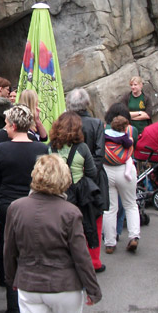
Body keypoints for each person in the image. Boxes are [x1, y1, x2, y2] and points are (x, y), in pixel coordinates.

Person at [4, 154, 102, 313]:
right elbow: (81, 256)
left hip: (29, 283)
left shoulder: (16, 208)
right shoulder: (70, 212)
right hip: (65, 285)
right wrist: (93, 289)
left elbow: (9, 249)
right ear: (64, 178)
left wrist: (12, 279)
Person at [0, 105, 50, 313]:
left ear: (14, 125)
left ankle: (14, 308)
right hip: (33, 204)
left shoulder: (2, 149)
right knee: (35, 249)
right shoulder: (41, 150)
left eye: (7, 124)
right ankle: (37, 298)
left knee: (10, 252)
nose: (5, 128)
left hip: (7, 206)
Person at [65, 88, 107, 272]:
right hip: (91, 180)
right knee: (94, 218)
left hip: (69, 179)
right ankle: (94, 260)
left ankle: (72, 257)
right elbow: (100, 154)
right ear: (87, 103)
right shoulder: (96, 123)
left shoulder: (63, 122)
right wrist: (89, 175)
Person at [48, 112, 101, 252]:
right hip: (77, 194)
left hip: (56, 193)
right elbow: (92, 173)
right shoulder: (82, 148)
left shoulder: (50, 148)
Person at [101, 114, 140, 254]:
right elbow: (130, 146)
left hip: (107, 170)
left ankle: (110, 243)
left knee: (110, 208)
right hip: (124, 170)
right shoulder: (126, 136)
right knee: (130, 204)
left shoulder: (104, 135)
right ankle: (134, 236)